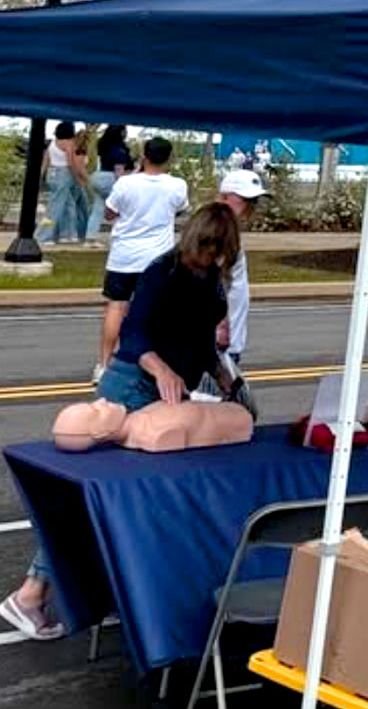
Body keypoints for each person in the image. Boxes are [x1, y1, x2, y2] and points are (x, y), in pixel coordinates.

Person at [2, 203, 243, 642]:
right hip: (130, 388)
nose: (215, 258)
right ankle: (31, 592)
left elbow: (199, 338)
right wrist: (161, 370)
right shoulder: (162, 272)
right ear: (196, 240)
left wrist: (223, 373)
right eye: (210, 249)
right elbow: (133, 336)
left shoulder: (209, 280)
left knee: (134, 498)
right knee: (90, 494)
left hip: (169, 398)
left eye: (222, 252)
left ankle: (110, 592)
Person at [97, 136, 189, 379]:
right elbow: (180, 209)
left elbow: (109, 213)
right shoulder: (177, 185)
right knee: (156, 311)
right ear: (169, 158)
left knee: (117, 306)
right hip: (158, 258)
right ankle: (153, 363)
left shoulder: (126, 184)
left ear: (143, 155)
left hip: (124, 256)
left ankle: (105, 364)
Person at [214, 168, 267, 367]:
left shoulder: (229, 229)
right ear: (225, 197)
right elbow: (214, 282)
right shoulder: (219, 233)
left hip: (229, 341)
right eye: (246, 200)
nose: (251, 207)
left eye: (254, 201)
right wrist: (221, 326)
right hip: (220, 344)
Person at [33, 122, 93, 247]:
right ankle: (43, 236)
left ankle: (66, 235)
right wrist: (77, 178)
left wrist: (40, 177)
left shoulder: (52, 143)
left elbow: (45, 161)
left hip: (52, 173)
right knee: (54, 209)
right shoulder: (69, 143)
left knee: (68, 206)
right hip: (63, 174)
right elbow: (71, 163)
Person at [84, 123, 131, 243]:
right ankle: (121, 236)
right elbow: (119, 171)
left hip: (97, 176)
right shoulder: (120, 150)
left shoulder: (105, 146)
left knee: (98, 208)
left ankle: (90, 237)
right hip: (110, 178)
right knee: (122, 208)